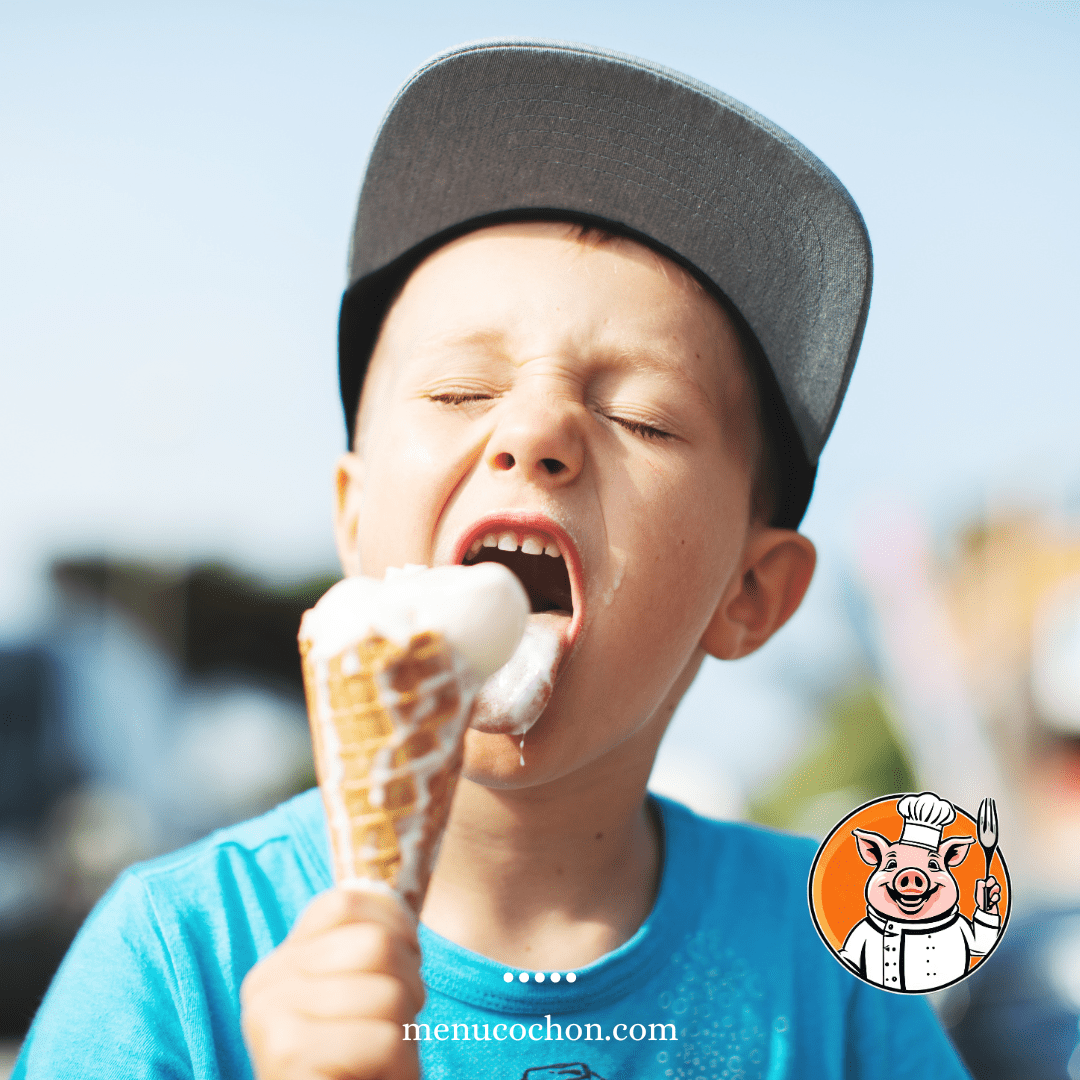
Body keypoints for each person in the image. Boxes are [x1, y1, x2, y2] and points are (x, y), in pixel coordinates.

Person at [13, 39, 970, 1079]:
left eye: (640, 415)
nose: (536, 428)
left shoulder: (833, 959)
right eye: (461, 390)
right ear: (354, 515)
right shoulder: (176, 955)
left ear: (749, 594)